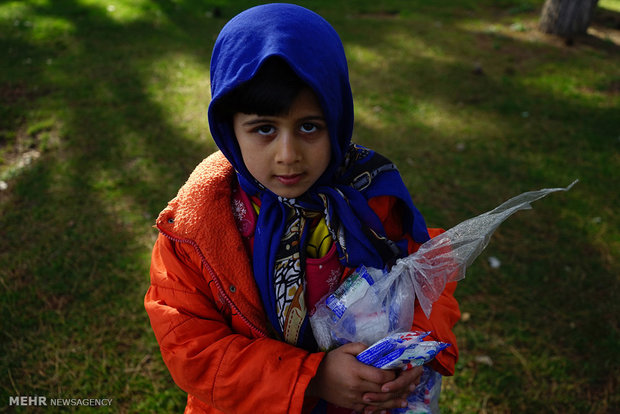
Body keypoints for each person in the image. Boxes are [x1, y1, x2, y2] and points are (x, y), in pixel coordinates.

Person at [145, 4, 460, 414]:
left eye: (310, 126)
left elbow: (428, 272)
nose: (288, 155)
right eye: (264, 129)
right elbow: (191, 346)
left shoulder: (373, 194)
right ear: (228, 127)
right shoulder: (195, 229)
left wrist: (413, 347)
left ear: (338, 117)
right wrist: (312, 379)